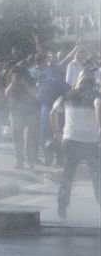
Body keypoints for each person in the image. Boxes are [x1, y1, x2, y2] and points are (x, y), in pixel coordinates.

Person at [50, 76, 100, 219]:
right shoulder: (95, 95)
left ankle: (62, 204)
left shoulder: (66, 96)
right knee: (97, 175)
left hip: (70, 139)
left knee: (68, 173)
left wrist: (56, 132)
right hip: (90, 141)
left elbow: (52, 113)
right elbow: (98, 106)